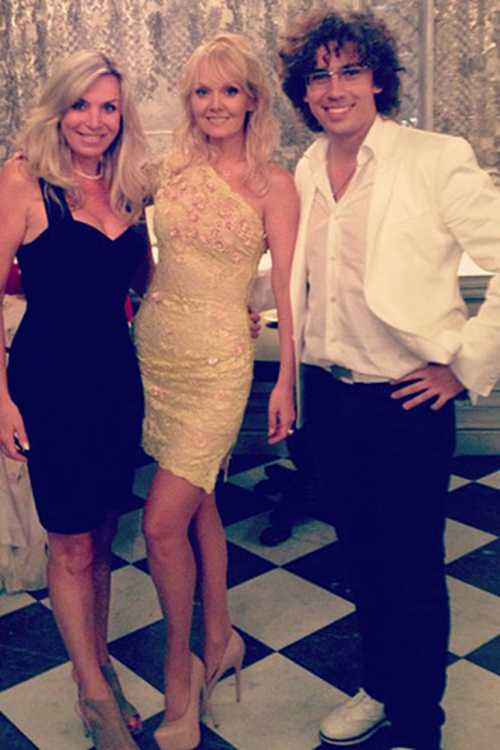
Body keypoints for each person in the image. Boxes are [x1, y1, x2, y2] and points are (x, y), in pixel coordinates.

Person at [278, 6, 500, 750]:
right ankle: (381, 687)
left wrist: (461, 366)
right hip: (330, 400)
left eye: (350, 70)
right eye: (319, 76)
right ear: (303, 91)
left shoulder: (434, 158)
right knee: (363, 560)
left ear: (378, 79)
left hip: (407, 403)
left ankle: (419, 723)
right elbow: (311, 280)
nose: (334, 88)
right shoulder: (307, 167)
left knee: (411, 568)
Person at [134, 32, 298, 750]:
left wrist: (286, 375)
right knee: (198, 503)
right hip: (157, 353)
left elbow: (287, 287)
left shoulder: (274, 185)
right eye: (202, 91)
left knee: (159, 525)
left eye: (229, 90)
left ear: (253, 99)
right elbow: (108, 214)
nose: (215, 104)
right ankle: (222, 635)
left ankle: (182, 674)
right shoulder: (169, 168)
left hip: (219, 366)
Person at [0, 50, 152, 750]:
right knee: (69, 544)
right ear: (59, 109)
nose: (95, 120)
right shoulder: (24, 180)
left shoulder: (130, 185)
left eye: (109, 106)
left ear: (123, 115)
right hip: (50, 385)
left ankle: (100, 666)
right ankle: (92, 692)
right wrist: (2, 398)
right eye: (82, 104)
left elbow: (147, 281)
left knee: (102, 539)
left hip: (117, 382)